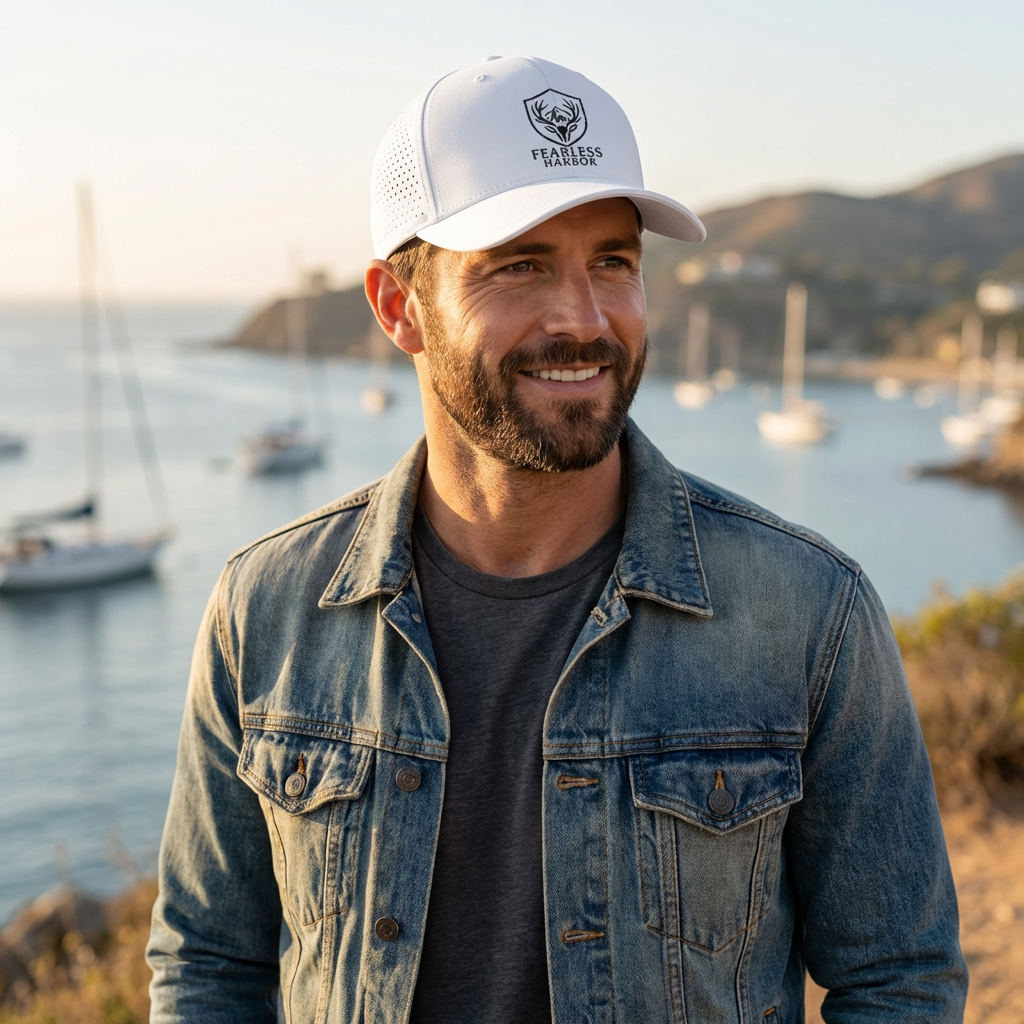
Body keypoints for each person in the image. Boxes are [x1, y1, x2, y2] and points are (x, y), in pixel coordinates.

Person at [148, 56, 967, 1024]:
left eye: (612, 262)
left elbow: (899, 980)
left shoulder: (807, 611)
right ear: (397, 305)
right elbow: (208, 963)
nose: (584, 318)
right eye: (519, 264)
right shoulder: (266, 607)